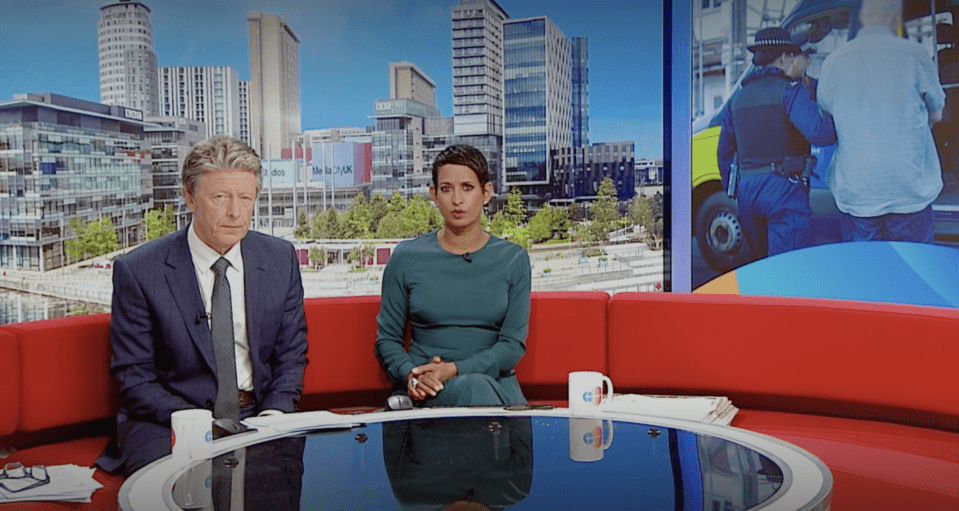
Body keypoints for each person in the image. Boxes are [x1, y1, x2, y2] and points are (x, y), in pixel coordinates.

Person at [99, 136, 308, 475]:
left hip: (258, 412)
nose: (235, 213)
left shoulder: (280, 259)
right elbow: (135, 380)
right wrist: (205, 426)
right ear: (190, 197)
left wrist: (274, 415)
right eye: (220, 198)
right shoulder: (138, 271)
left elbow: (291, 356)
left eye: (245, 198)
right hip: (165, 420)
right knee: (182, 488)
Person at [374, 144, 531, 407]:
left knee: (475, 387)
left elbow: (512, 346)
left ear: (486, 193)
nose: (456, 200)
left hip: (496, 386)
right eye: (446, 189)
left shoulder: (513, 259)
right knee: (474, 392)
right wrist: (411, 375)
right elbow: (387, 341)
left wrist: (455, 369)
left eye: (467, 188)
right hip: (427, 388)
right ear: (434, 194)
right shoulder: (406, 257)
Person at [817, 0, 945, 243]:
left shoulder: (834, 61)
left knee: (867, 272)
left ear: (864, 18)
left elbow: (827, 110)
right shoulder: (915, 55)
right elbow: (936, 112)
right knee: (912, 270)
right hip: (909, 190)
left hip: (858, 194)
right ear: (895, 19)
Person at [717, 27, 837, 259]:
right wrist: (840, 116)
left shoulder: (736, 99)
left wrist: (734, 189)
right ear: (783, 57)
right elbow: (820, 132)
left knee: (761, 266)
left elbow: (724, 152)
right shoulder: (789, 91)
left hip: (747, 195)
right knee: (785, 270)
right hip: (784, 193)